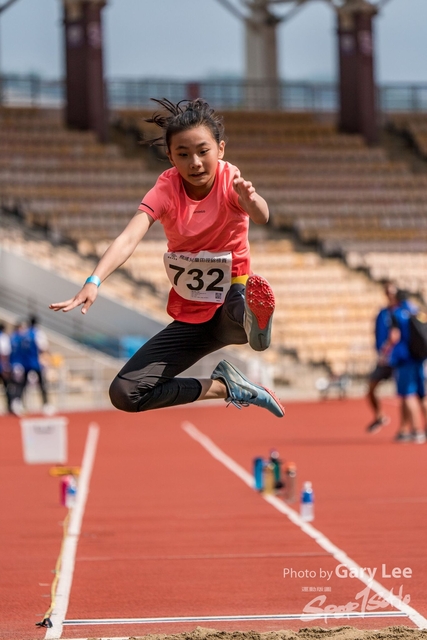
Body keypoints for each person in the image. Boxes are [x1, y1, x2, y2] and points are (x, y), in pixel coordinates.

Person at [50, 98, 284, 419]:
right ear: (170, 157)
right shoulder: (166, 189)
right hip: (193, 313)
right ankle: (226, 386)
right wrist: (94, 280)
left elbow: (262, 216)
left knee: (239, 305)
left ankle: (252, 323)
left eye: (204, 151)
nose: (195, 163)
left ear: (221, 149)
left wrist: (251, 199)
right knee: (125, 393)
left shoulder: (232, 181)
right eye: (183, 155)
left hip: (233, 294)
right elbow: (130, 236)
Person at [388, 293, 427, 444]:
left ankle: (417, 430)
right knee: (422, 395)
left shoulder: (396, 314)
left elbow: (394, 337)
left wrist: (386, 351)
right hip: (420, 358)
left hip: (405, 359)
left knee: (408, 394)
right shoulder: (417, 311)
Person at [365, 281, 401, 433]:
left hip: (400, 358)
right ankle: (379, 416)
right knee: (371, 388)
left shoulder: (403, 312)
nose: (389, 295)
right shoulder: (383, 313)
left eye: (391, 292)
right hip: (385, 359)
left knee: (410, 395)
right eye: (387, 292)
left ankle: (408, 428)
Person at [0, 323, 12, 414]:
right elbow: (5, 353)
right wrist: (5, 366)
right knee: (7, 386)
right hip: (2, 365)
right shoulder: (3, 337)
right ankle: (9, 406)